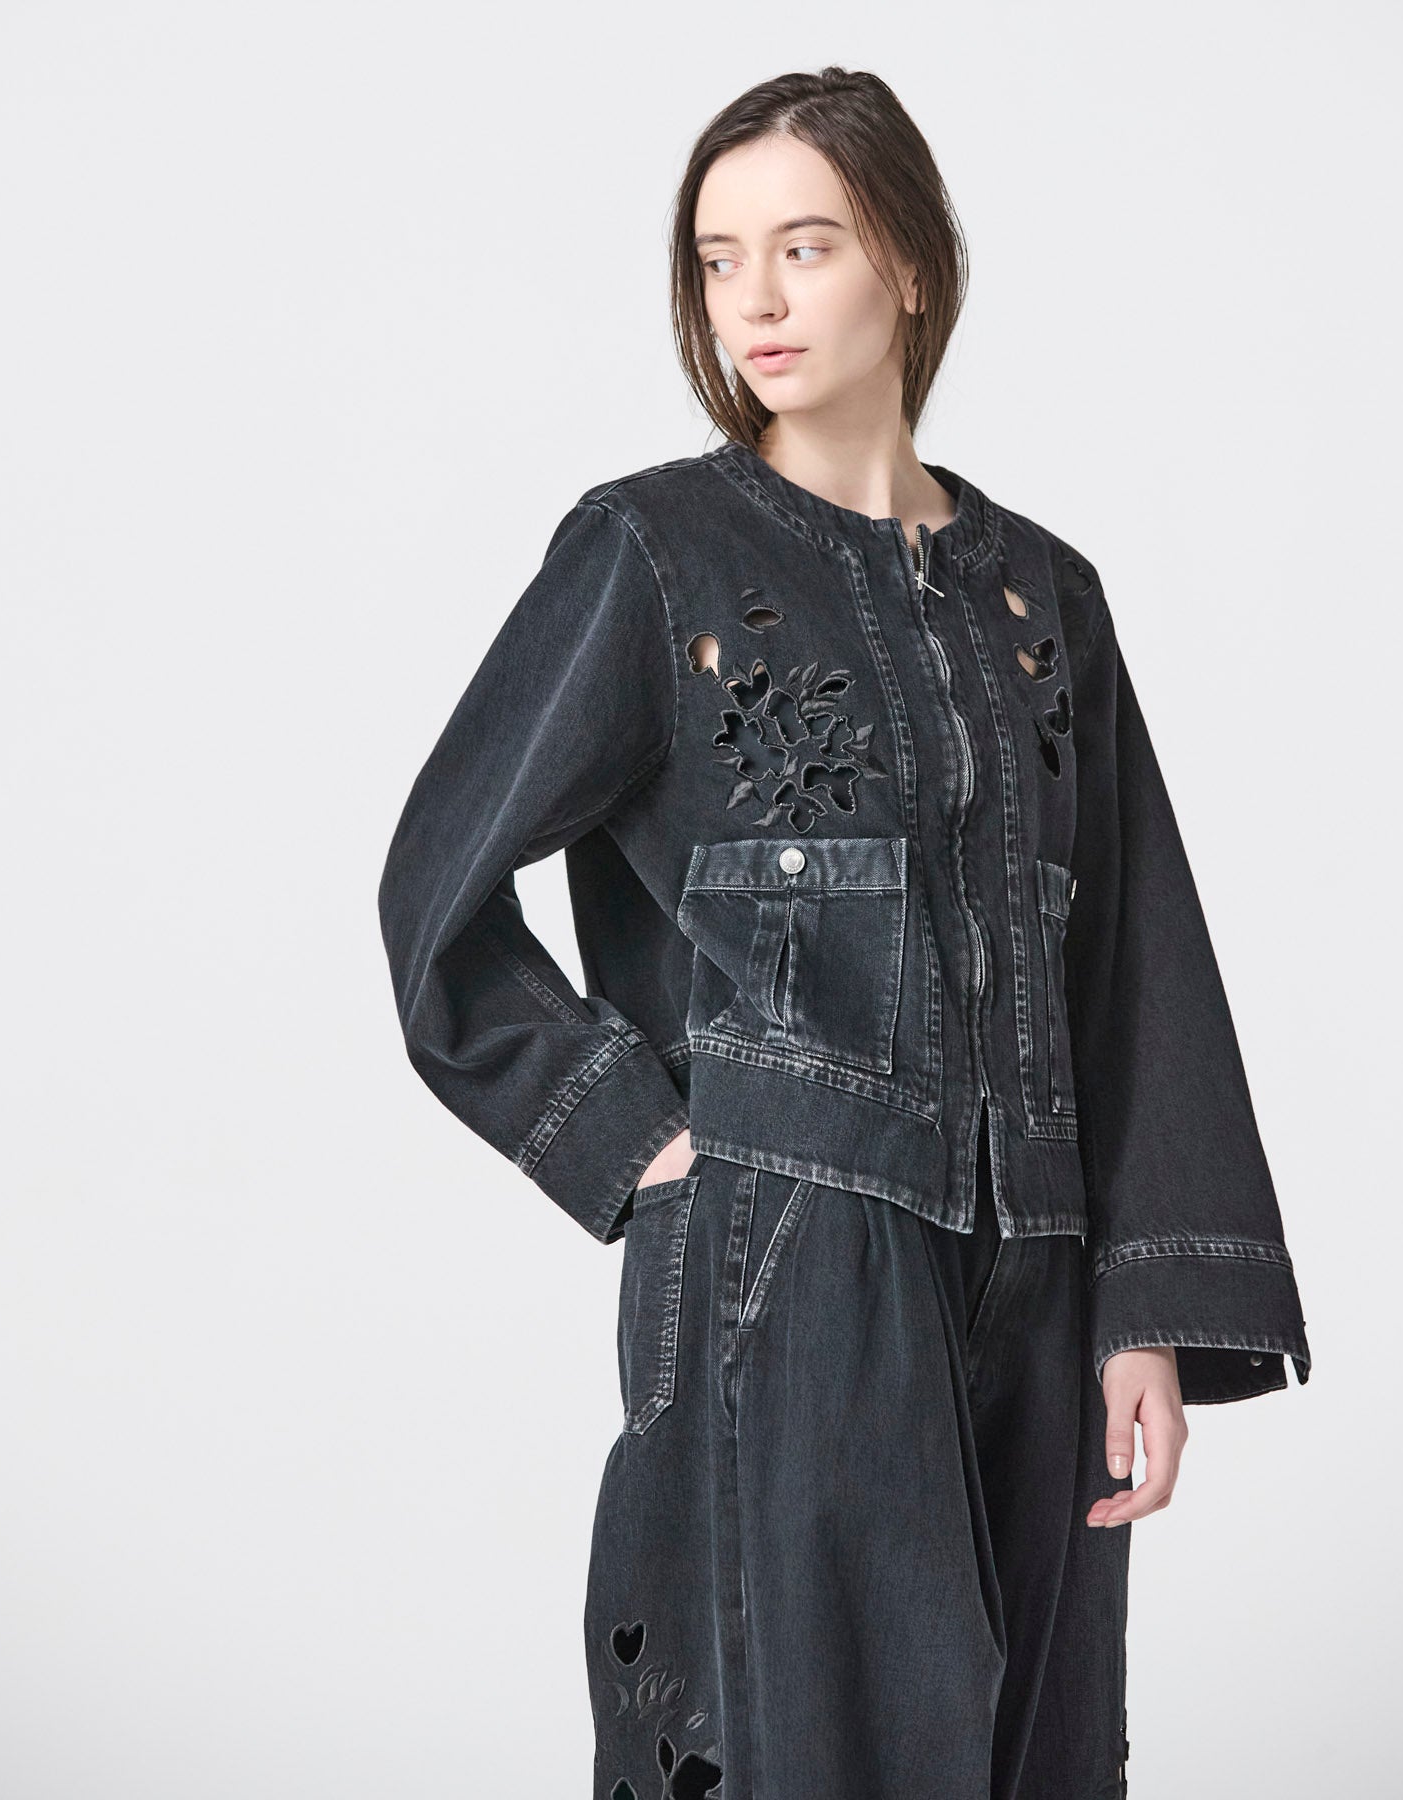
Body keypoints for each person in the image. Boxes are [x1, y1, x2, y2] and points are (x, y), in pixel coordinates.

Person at [376, 65, 1311, 1800]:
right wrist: (639, 1138)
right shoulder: (656, 554)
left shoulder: (1046, 598)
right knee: (804, 1748)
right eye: (720, 258)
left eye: (803, 246)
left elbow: (1134, 969)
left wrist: (1145, 1316)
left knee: (1031, 1752)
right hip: (791, 1265)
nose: (758, 299)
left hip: (1040, 1265)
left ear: (912, 265)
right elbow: (437, 887)